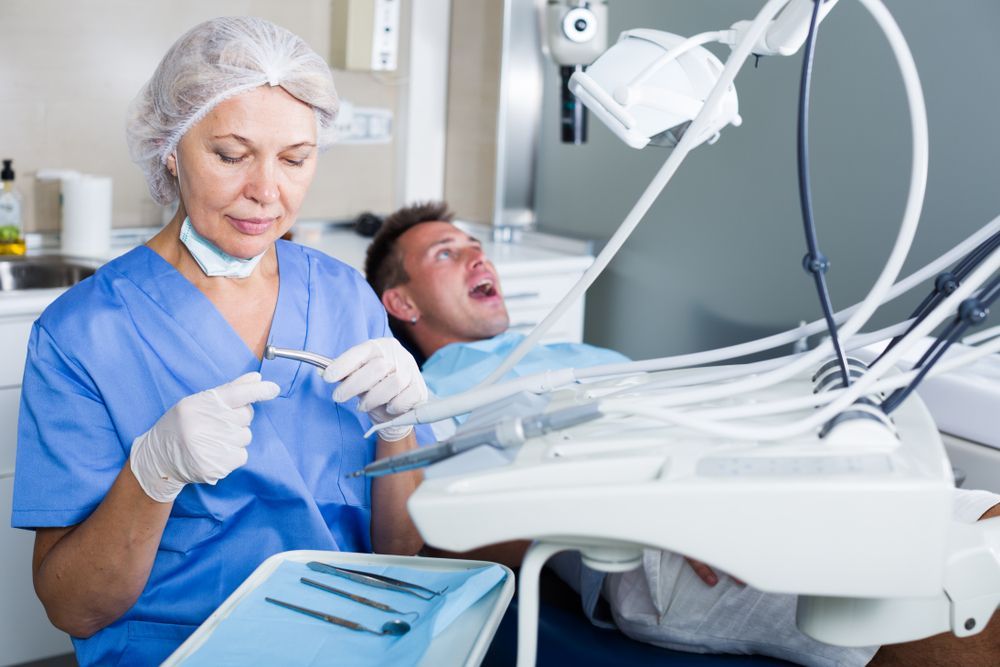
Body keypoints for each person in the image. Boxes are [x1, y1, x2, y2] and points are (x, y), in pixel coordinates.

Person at [364, 201, 1000, 666]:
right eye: (445, 253)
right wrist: (395, 420)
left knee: (983, 525)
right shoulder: (434, 395)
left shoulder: (581, 354)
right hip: (659, 534)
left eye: (475, 243)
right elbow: (410, 544)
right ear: (403, 304)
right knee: (947, 602)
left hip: (760, 463)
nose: (478, 255)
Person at [11, 18, 431, 666]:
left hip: (352, 637)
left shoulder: (346, 297)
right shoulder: (84, 334)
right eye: (231, 155)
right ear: (170, 148)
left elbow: (400, 556)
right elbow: (72, 605)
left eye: (295, 158)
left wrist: (401, 428)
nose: (267, 191)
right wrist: (151, 475)